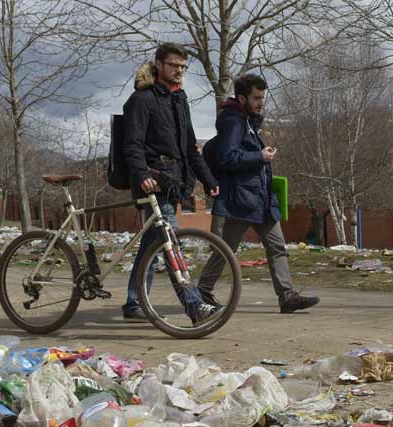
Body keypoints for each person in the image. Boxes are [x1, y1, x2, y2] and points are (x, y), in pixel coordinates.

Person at [199, 74, 319, 314]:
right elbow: (226, 157)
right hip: (242, 201)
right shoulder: (233, 121)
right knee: (226, 249)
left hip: (260, 199)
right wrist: (259, 156)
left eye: (262, 97)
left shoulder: (247, 122)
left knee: (277, 247)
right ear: (242, 97)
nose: (260, 102)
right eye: (256, 97)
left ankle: (287, 297)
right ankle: (201, 291)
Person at [122, 43, 220, 324]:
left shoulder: (179, 99)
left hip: (174, 183)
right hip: (152, 183)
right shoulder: (142, 100)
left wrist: (208, 179)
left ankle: (133, 302)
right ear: (159, 64)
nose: (179, 71)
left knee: (153, 245)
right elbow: (133, 145)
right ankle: (194, 305)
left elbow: (190, 147)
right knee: (170, 242)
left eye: (183, 67)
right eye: (174, 65)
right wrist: (143, 175)